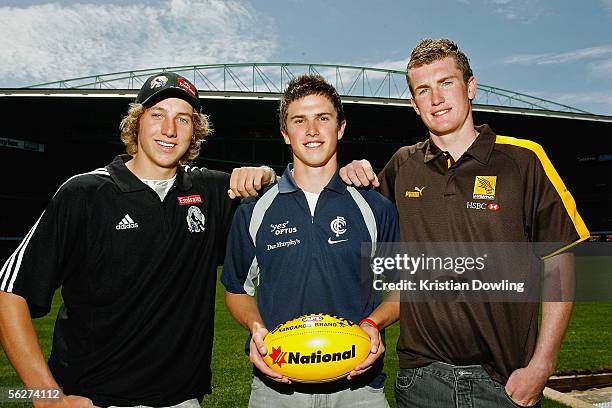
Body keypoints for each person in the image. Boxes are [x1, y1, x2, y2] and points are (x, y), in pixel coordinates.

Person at [0, 72, 275, 408]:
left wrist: (265, 172)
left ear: (195, 132)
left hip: (181, 400)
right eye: (157, 115)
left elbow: (291, 192)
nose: (169, 130)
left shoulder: (213, 191)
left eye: (183, 119)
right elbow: (9, 295)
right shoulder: (84, 192)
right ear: (137, 122)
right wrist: (47, 397)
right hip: (93, 398)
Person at [339, 39, 590, 408]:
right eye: (423, 90)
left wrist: (542, 364)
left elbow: (559, 264)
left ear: (470, 86)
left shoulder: (524, 160)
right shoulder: (401, 165)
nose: (436, 98)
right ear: (413, 103)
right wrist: (347, 173)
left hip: (504, 383)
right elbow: (356, 229)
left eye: (446, 83)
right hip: (420, 379)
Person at [221, 74, 400, 408]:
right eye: (299, 121)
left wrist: (373, 324)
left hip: (359, 390)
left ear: (341, 127)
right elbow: (236, 290)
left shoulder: (376, 208)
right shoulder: (254, 209)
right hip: (276, 389)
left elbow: (398, 290)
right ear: (286, 134)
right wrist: (257, 328)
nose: (313, 131)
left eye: (323, 118)